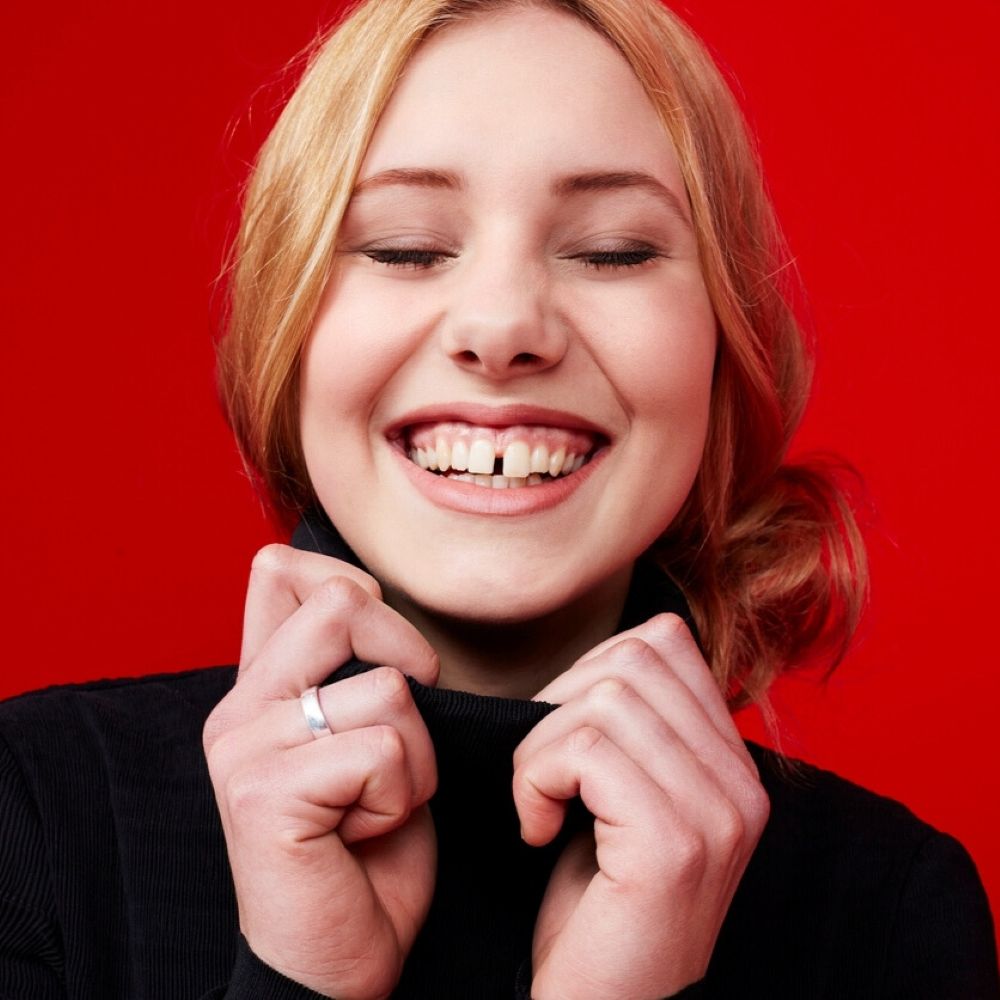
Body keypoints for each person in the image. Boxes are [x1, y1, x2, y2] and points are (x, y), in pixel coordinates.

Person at [0, 0, 996, 997]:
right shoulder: (33, 813)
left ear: (722, 348)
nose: (503, 326)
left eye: (613, 250)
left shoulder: (894, 914)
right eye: (403, 248)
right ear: (286, 331)